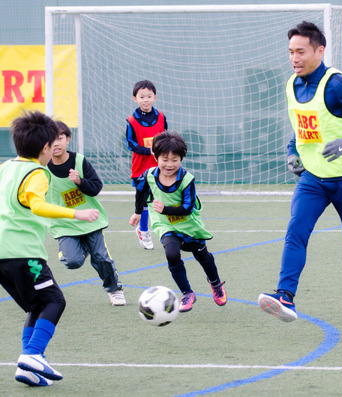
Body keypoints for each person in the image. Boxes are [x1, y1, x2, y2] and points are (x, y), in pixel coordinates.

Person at [258, 21, 342, 323]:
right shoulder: (292, 85)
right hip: (313, 178)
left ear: (320, 50)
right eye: (290, 52)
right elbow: (300, 130)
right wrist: (292, 152)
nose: (294, 58)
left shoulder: (337, 84)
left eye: (300, 51)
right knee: (296, 232)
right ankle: (285, 296)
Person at [0, 111, 99, 387]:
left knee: (37, 304)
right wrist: (76, 214)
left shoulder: (6, 168)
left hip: (2, 255)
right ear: (45, 148)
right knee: (55, 300)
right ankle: (32, 354)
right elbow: (37, 205)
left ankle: (29, 365)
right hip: (23, 253)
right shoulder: (38, 173)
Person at [128, 131, 227, 312]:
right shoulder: (149, 175)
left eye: (175, 160)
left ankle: (216, 284)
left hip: (188, 223)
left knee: (202, 256)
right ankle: (187, 293)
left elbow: (188, 208)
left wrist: (165, 209)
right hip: (164, 223)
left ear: (181, 159)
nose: (169, 164)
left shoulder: (186, 179)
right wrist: (137, 212)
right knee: (172, 254)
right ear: (155, 156)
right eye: (165, 159)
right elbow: (140, 192)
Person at [47, 121, 126, 306]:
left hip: (91, 221)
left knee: (101, 257)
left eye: (60, 138)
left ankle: (114, 290)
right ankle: (75, 250)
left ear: (68, 140)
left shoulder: (79, 161)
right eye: (51, 139)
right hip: (64, 224)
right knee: (72, 261)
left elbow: (96, 187)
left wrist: (80, 182)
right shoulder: (42, 168)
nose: (56, 143)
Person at [126, 79, 168, 250]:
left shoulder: (161, 117)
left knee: (160, 199)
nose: (146, 99)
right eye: (141, 96)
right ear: (135, 98)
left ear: (155, 97)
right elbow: (131, 144)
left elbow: (166, 137)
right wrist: (149, 151)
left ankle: (169, 231)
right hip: (140, 167)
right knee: (143, 201)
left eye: (149, 96)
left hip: (160, 167)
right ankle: (143, 230)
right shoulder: (132, 121)